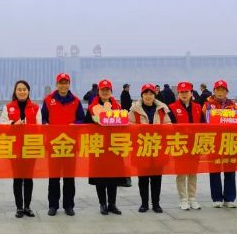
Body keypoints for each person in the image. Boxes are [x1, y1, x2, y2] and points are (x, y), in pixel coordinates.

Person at [41, 73, 85, 216]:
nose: (63, 85)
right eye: (61, 82)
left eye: (66, 82)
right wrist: (45, 124)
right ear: (57, 84)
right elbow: (43, 119)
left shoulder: (76, 101)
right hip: (54, 145)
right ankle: (53, 205)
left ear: (69, 84)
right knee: (53, 177)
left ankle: (69, 205)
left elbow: (81, 119)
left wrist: (75, 124)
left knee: (69, 178)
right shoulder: (48, 100)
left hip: (70, 145)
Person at [0, 80, 42, 218]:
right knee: (17, 178)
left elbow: (39, 127)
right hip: (14, 146)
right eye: (19, 89)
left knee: (28, 178)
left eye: (24, 89)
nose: (22, 91)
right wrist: (13, 124)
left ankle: (27, 206)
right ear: (15, 91)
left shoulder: (35, 107)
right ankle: (19, 207)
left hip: (31, 146)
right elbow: (2, 125)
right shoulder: (8, 107)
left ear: (28, 91)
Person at [129, 83, 172, 213]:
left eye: (151, 94)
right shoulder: (134, 109)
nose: (148, 96)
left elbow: (169, 125)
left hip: (157, 147)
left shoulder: (162, 109)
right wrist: (141, 129)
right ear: (142, 95)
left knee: (156, 178)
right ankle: (144, 204)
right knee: (143, 178)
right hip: (141, 148)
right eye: (146, 94)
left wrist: (161, 129)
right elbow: (129, 127)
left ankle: (156, 204)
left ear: (155, 95)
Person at [86, 79, 123, 215]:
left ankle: (112, 204)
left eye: (107, 90)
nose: (105, 92)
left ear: (111, 91)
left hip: (113, 146)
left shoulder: (117, 107)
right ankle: (102, 204)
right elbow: (86, 126)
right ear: (98, 92)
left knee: (113, 177)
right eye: (103, 90)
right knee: (100, 177)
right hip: (98, 146)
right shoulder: (91, 108)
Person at [203, 80, 237, 208]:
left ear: (227, 92)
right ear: (214, 91)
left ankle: (230, 198)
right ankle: (216, 197)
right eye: (218, 89)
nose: (220, 92)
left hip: (230, 142)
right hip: (213, 142)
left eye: (223, 90)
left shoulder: (233, 105)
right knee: (214, 170)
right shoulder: (207, 105)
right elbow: (204, 121)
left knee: (230, 170)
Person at [168, 82, 203, 210]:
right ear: (178, 93)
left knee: (193, 172)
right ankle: (183, 199)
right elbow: (170, 127)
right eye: (181, 92)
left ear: (191, 93)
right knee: (181, 172)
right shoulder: (171, 107)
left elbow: (204, 126)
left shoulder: (198, 107)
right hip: (180, 144)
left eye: (186, 92)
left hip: (195, 144)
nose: (184, 94)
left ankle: (192, 198)